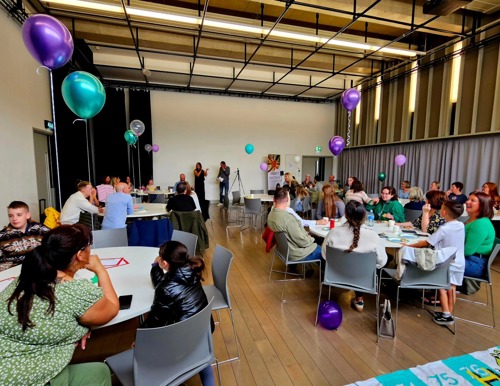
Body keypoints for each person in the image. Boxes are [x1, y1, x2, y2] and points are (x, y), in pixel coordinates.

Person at [0, 224, 119, 385]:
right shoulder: (75, 292)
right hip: (30, 377)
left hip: (8, 365)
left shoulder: (27, 276)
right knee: (99, 373)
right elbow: (111, 307)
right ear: (80, 255)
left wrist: (77, 327)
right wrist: (101, 270)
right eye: (88, 246)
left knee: (98, 371)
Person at [141, 241, 215, 385]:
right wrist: (156, 267)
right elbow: (164, 283)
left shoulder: (166, 287)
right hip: (203, 332)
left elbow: (155, 319)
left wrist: (140, 337)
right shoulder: (191, 270)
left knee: (150, 346)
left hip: (181, 341)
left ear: (165, 263)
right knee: (200, 356)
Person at [403, 201, 465, 326]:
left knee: (441, 287)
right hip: (459, 261)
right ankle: (449, 315)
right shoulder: (461, 225)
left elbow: (428, 242)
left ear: (444, 212)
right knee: (452, 288)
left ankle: (446, 313)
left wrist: (408, 245)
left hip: (445, 262)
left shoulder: (444, 228)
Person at [321, 201, 387, 312]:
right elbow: (382, 262)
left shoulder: (333, 233)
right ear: (364, 216)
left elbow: (324, 255)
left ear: (345, 215)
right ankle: (359, 299)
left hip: (335, 275)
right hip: (362, 278)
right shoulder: (373, 236)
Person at [267, 188, 322, 264]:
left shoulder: (271, 214)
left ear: (274, 199)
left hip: (283, 250)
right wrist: (311, 239)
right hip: (296, 254)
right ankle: (323, 275)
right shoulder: (288, 219)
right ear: (287, 200)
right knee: (325, 252)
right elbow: (302, 241)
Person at [0, 201, 50, 272]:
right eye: (10, 216)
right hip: (12, 274)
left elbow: (54, 250)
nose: (14, 218)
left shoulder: (42, 230)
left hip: (40, 271)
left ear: (27, 215)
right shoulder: (2, 236)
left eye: (19, 215)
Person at [463, 192, 495, 278]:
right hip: (470, 259)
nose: (467, 202)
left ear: (482, 205)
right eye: (468, 199)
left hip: (474, 264)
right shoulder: (472, 220)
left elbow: (467, 251)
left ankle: (442, 290)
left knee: (436, 263)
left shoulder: (480, 224)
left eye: (472, 200)